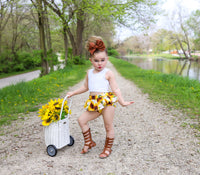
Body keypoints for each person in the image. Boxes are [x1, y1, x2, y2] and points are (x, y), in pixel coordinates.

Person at [67, 36, 134, 159]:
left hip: (107, 103)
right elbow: (85, 87)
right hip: (94, 103)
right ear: (91, 60)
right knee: (81, 120)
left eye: (102, 60)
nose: (99, 63)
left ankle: (107, 148)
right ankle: (89, 142)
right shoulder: (89, 73)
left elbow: (115, 89)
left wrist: (122, 102)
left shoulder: (108, 73)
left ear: (107, 59)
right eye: (96, 60)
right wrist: (73, 93)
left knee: (108, 126)